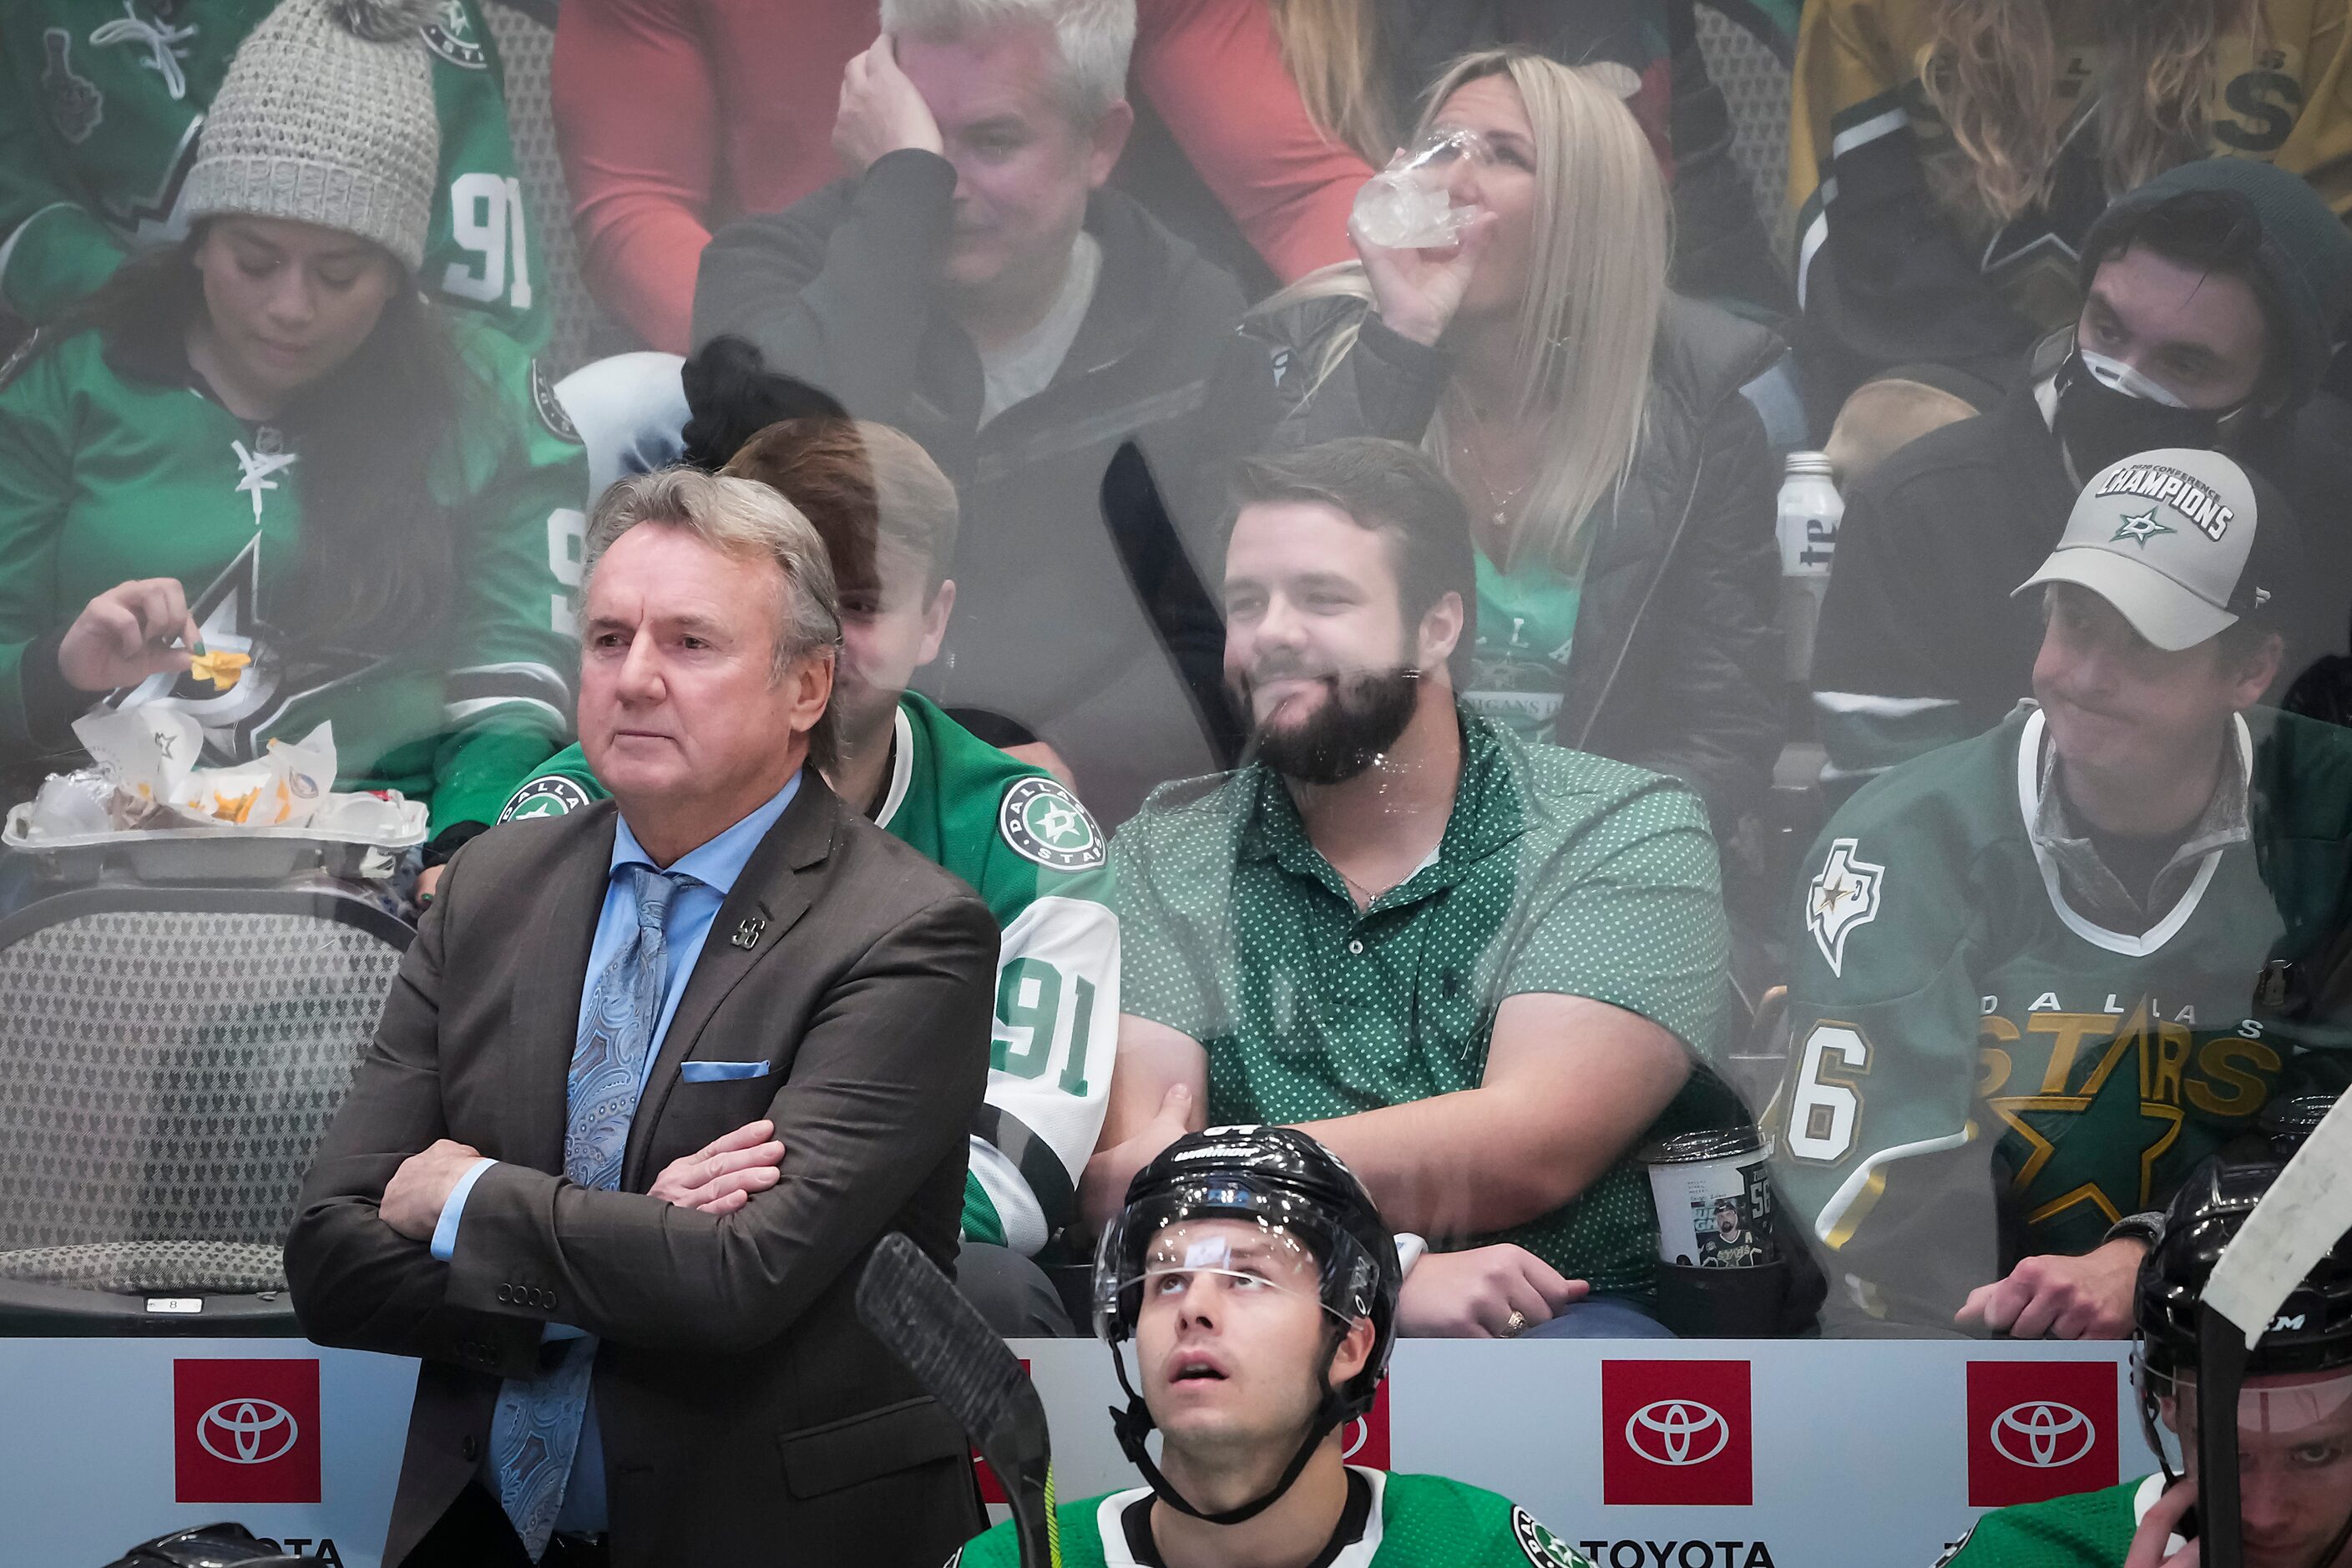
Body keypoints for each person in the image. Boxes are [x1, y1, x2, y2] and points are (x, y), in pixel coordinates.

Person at [285, 467, 999, 1567]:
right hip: (479, 1529)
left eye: (691, 644)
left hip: (776, 1539)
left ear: (807, 686)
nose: (635, 679)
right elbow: (331, 1254)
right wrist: (625, 1243)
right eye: (609, 637)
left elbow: (738, 1280)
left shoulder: (906, 930)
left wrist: (464, 1196)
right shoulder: (488, 888)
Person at [1083, 439, 1732, 1338]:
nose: (1272, 632)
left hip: (1554, 1320)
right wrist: (1380, 1271)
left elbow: (1532, 1146)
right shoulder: (1170, 851)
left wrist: (1215, 1170)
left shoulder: (1614, 828)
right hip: (1250, 1317)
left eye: (1323, 598)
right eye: (1246, 602)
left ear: (1437, 627)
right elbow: (1136, 1177)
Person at [498, 412, 1120, 1335]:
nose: (822, 646)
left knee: (990, 1288)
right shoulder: (564, 813)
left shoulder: (1021, 837)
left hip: (863, 1280)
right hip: (590, 1283)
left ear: (935, 619)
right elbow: (482, 1129)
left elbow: (1017, 1166)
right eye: (794, 610)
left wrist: (760, 1242)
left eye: (860, 606)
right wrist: (649, 1234)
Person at [1772, 448, 2352, 1338]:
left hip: (2278, 1339)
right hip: (1958, 1345)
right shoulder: (1899, 840)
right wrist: (2049, 1307)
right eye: (2074, 622)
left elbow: (2339, 1136)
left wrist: (2157, 1264)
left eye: (2146, 644)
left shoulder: (2335, 819)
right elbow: (1861, 1183)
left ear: (2251, 668)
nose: (2084, 675)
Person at [0, 0, 584, 881]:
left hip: (382, 868)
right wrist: (58, 667)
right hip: (91, 870)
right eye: (255, 259)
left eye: (340, 272)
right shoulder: (73, 378)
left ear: (396, 273)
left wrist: (464, 852)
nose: (290, 308)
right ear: (196, 242)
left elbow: (514, 693)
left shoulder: (493, 403)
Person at [691, 0, 1274, 822]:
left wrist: (1069, 762)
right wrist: (897, 195)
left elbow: (1231, 621)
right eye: (917, 138)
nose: (946, 186)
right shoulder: (768, 272)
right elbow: (759, 469)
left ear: (1100, 144)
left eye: (993, 141)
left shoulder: (1192, 321)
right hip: (802, 791)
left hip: (1083, 812)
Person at [1244, 48, 1783, 837]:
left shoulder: (1695, 424)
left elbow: (1721, 728)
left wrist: (1569, 856)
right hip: (1350, 848)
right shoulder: (1320, 357)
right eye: (1439, 148)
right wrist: (1403, 341)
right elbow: (1268, 624)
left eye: (1502, 157)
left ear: (1584, 212)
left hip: (1599, 868)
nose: (1452, 181)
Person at [1809, 159, 2352, 788]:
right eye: (2106, 329)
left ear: (2274, 394)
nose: (2120, 376)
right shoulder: (1918, 509)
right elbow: (1885, 826)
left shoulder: (2333, 506)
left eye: (2184, 365)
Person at [550, 0, 1371, 353]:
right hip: (788, 322)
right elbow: (631, 211)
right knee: (632, 405)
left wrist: (1416, 315)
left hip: (1050, 335)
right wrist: (789, 359)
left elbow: (1298, 191)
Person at [953, 1125, 1597, 1566]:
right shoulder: (1011, 1561)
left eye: (1246, 1278)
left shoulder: (1477, 1550)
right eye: (1167, 1281)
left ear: (1350, 1345)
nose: (1193, 1309)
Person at [1788, 0, 2352, 421]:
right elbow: (1866, 262)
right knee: (1882, 431)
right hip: (1969, 392)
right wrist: (2044, 409)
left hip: (2224, 410)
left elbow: (2322, 288)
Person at [0, 0, 547, 350]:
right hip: (106, 362)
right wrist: (165, 317)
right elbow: (17, 197)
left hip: (365, 393)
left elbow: (487, 327)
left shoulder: (401, 15)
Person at [1938, 1155, 2352, 1568]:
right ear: (2166, 1404)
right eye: (2227, 1453)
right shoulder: (2018, 1555)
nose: (2265, 1517)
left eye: (2316, 1453)